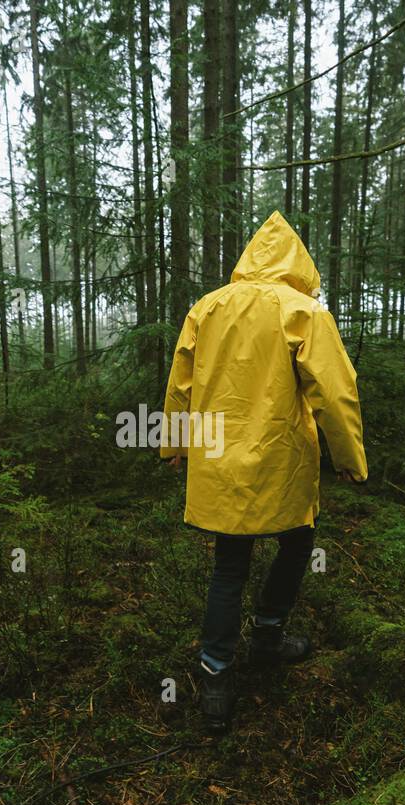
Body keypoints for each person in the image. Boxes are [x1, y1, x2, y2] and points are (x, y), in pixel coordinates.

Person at [160, 210, 368, 733]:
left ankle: (216, 677)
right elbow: (335, 391)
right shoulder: (304, 311)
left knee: (230, 565)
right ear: (299, 263)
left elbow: (181, 382)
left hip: (220, 460)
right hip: (281, 457)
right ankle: (268, 639)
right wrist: (349, 458)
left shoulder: (208, 307)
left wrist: (175, 442)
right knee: (297, 542)